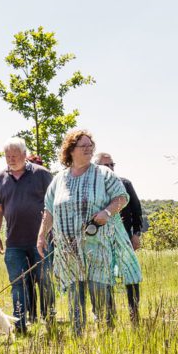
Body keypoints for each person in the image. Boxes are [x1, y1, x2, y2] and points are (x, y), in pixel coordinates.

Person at [40, 128, 137, 336]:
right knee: (75, 296)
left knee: (100, 292)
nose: (88, 149)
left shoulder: (103, 174)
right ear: (71, 150)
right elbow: (49, 209)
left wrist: (107, 212)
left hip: (97, 246)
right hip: (68, 249)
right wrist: (41, 235)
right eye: (83, 146)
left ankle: (107, 335)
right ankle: (78, 337)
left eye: (90, 146)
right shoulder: (59, 179)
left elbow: (122, 197)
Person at [0, 139, 53, 334]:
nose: (11, 160)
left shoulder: (42, 175)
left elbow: (54, 204)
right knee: (18, 284)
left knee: (45, 281)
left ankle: (49, 317)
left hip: (40, 241)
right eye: (8, 156)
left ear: (25, 155)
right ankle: (20, 323)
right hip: (14, 242)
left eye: (15, 156)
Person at [97, 152, 147, 325]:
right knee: (105, 279)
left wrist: (136, 234)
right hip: (101, 242)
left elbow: (136, 210)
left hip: (124, 239)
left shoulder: (124, 183)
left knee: (131, 276)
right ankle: (110, 318)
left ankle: (135, 314)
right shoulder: (94, 189)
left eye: (112, 165)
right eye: (105, 166)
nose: (110, 168)